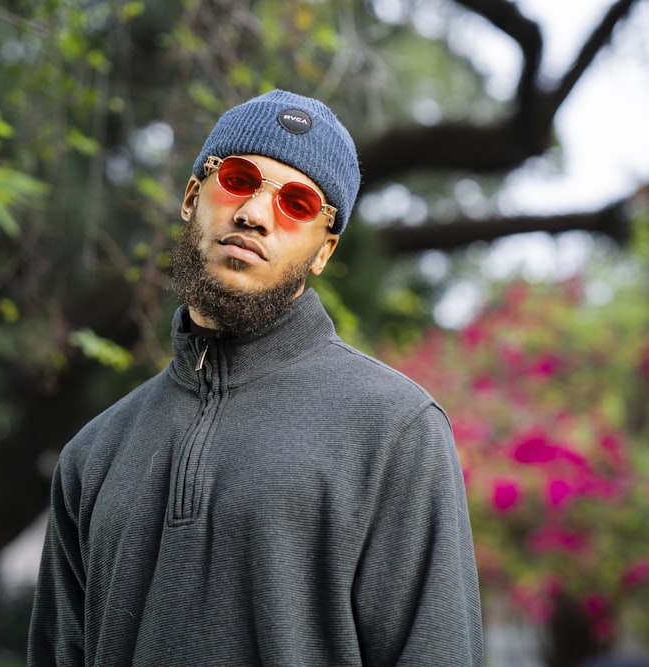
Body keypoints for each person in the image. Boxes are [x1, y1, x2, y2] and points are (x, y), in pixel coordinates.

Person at [28, 89, 484, 666]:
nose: (255, 213)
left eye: (297, 203)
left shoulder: (395, 430)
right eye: (240, 179)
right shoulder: (94, 454)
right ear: (193, 196)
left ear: (324, 250)